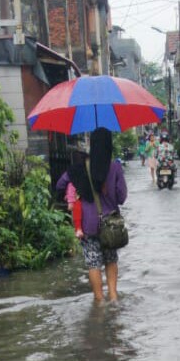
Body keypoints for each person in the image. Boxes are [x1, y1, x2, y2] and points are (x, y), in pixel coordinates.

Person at [56, 128, 128, 302]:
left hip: (88, 226)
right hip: (110, 225)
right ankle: (113, 296)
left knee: (93, 263)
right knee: (111, 260)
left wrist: (74, 193)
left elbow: (60, 184)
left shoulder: (79, 168)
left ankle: (99, 300)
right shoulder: (115, 167)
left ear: (92, 145)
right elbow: (122, 196)